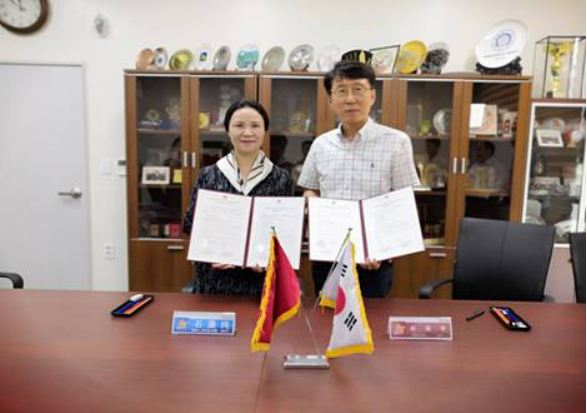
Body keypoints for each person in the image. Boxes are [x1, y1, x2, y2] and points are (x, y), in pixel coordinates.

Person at [298, 60, 420, 298]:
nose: (350, 99)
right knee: (326, 316)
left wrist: (382, 249)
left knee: (371, 319)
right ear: (331, 99)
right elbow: (311, 189)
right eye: (341, 91)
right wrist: (310, 202)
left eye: (358, 89)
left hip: (373, 260)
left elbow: (402, 203)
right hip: (328, 256)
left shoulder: (397, 142)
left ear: (372, 96)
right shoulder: (321, 144)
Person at [183, 100, 293, 296]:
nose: (247, 132)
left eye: (255, 125)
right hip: (214, 282)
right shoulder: (208, 175)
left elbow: (286, 232)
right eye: (239, 125)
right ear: (228, 130)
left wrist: (268, 257)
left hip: (261, 285)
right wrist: (212, 250)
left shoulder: (281, 178)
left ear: (264, 131)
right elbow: (190, 224)